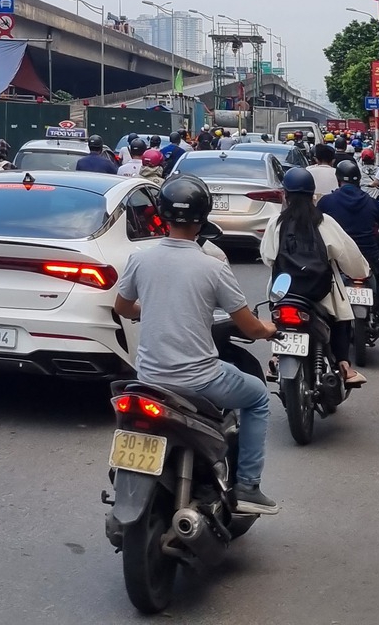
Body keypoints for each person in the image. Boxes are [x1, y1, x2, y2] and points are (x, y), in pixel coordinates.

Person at [112, 175, 282, 516]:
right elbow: (249, 326)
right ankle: (248, 485)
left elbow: (123, 307)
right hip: (200, 380)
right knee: (258, 398)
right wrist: (268, 330)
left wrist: (152, 307)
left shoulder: (140, 260)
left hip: (148, 379)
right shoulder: (213, 267)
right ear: (203, 219)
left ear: (162, 215)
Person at [261, 167, 370, 389]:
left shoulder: (276, 223)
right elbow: (350, 257)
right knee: (341, 316)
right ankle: (344, 366)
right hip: (319, 291)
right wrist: (361, 272)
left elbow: (268, 257)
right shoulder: (325, 222)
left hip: (283, 291)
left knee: (277, 316)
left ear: (285, 195)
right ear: (313, 195)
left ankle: (276, 357)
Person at [319, 157, 379, 335]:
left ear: (338, 179)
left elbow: (316, 227)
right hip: (369, 257)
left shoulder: (327, 201)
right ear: (359, 180)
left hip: (338, 258)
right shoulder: (371, 202)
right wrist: (378, 241)